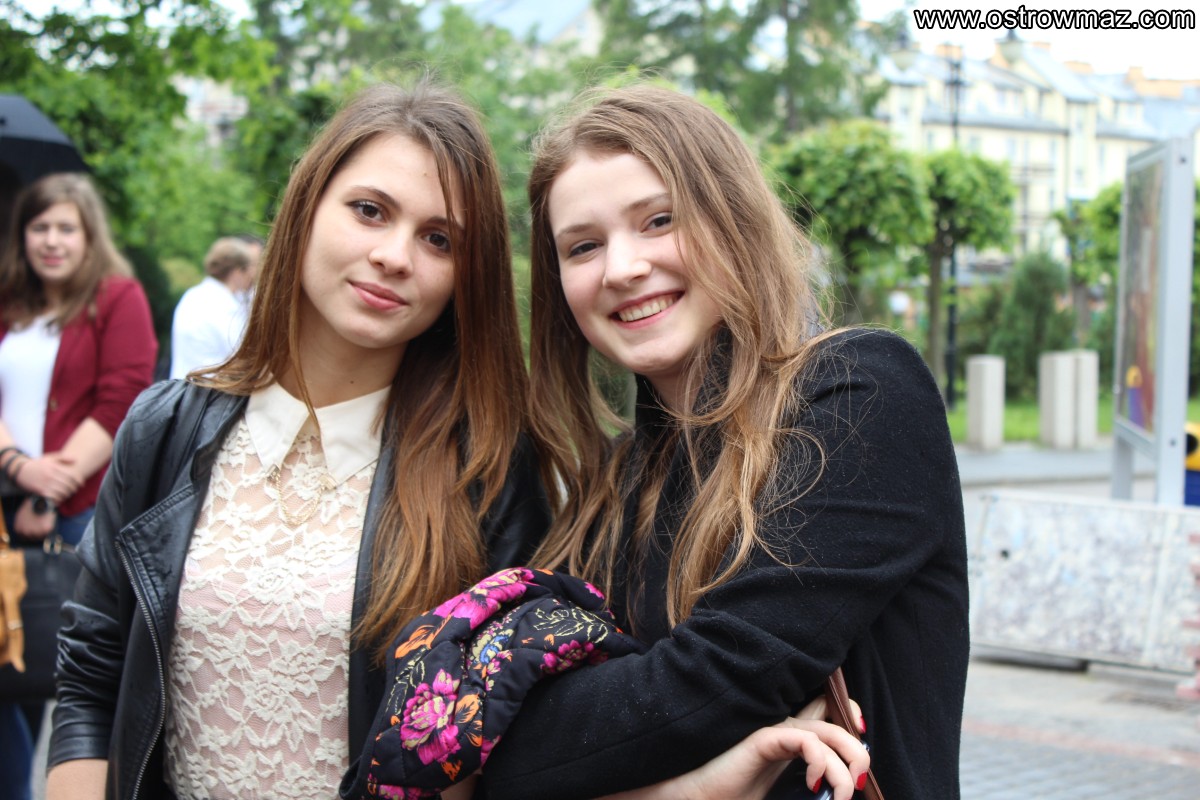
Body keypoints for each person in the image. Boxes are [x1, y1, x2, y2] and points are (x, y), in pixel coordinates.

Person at [44, 81, 552, 800]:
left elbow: (505, 743)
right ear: (306, 208)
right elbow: (92, 678)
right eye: (369, 211)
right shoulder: (164, 429)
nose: (395, 255)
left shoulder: (488, 470)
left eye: (438, 239)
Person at [478, 84, 969, 799]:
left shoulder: (858, 395)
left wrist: (486, 740)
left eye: (659, 220)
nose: (622, 268)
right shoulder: (614, 483)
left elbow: (719, 681)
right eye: (583, 246)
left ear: (731, 217)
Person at [0, 172, 157, 800]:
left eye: (66, 227)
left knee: (66, 672)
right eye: (40, 227)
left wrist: (47, 489)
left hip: (79, 511)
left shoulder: (117, 298)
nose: (52, 240)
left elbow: (123, 396)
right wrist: (16, 467)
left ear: (90, 235)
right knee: (7, 669)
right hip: (7, 498)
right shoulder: (9, 301)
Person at [168, 235, 259, 378]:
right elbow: (243, 354)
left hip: (183, 383)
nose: (252, 275)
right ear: (237, 272)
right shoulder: (225, 305)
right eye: (248, 270)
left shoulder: (193, 295)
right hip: (210, 386)